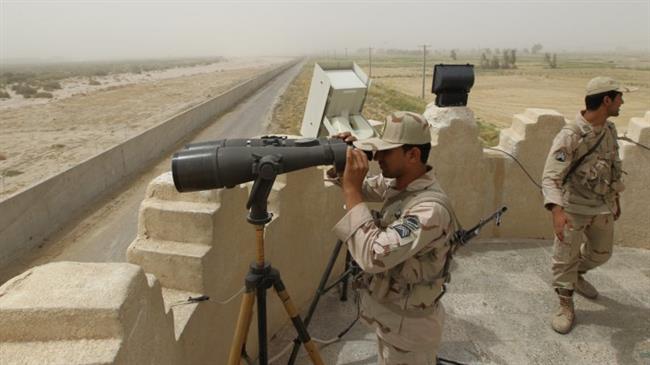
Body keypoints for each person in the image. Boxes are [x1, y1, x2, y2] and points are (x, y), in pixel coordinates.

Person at [329, 111, 460, 364]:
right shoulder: (401, 183)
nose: (377, 157)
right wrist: (343, 162)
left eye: (386, 151)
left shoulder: (429, 211)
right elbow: (366, 187)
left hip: (410, 333)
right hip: (393, 322)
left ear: (413, 155)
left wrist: (351, 191)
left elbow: (372, 256)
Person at [541, 76, 631, 334]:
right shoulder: (571, 136)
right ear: (606, 100)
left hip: (601, 206)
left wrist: (616, 199)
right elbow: (550, 177)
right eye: (619, 97)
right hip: (573, 209)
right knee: (563, 258)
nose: (622, 102)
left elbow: (614, 167)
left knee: (602, 253)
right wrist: (557, 211)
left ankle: (575, 275)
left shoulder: (610, 130)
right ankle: (565, 304)